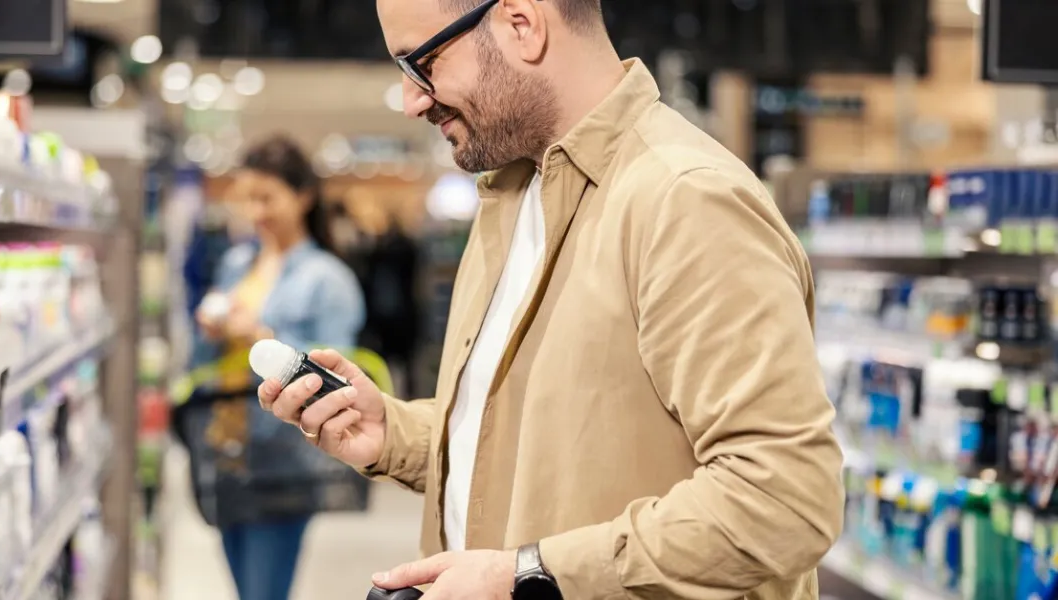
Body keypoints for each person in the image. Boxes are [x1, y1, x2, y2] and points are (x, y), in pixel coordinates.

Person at [260, 0, 845, 598]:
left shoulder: (685, 201)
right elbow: (549, 440)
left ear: (522, 24)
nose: (412, 99)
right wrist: (395, 433)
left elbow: (783, 501)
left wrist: (526, 577)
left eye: (422, 63)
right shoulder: (513, 197)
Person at [193, 135, 365, 600]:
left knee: (263, 592)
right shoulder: (237, 262)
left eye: (267, 197)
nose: (256, 212)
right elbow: (208, 355)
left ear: (303, 196)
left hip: (281, 459)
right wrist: (211, 329)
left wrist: (263, 337)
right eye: (248, 199)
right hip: (225, 444)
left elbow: (337, 374)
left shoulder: (327, 279)